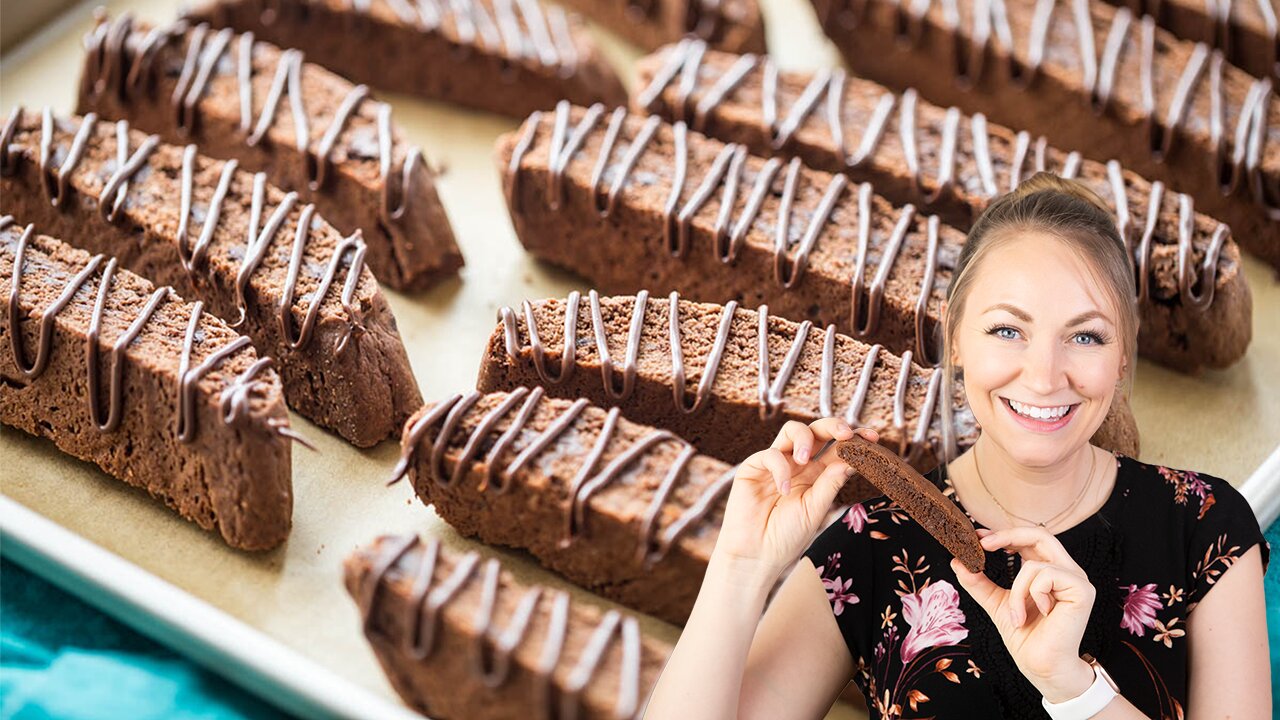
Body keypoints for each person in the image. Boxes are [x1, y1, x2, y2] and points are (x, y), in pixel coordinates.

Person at [643, 172, 1271, 719]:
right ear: (958, 339)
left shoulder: (1204, 526)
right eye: (1007, 329)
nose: (1046, 375)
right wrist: (740, 569)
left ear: (1123, 358)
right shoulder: (869, 550)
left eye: (1085, 337)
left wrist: (1075, 691)